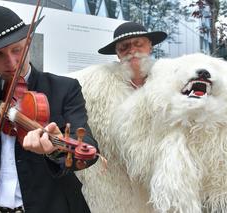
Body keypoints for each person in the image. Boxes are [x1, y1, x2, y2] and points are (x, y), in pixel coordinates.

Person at [0, 5, 98, 213]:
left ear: (28, 42)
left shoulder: (64, 89)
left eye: (17, 49)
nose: (11, 62)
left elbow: (87, 146)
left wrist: (56, 149)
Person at [69, 22, 168, 212]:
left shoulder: (169, 80)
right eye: (124, 47)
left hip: (159, 176)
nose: (132, 50)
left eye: (138, 44)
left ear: (150, 46)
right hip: (115, 179)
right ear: (117, 53)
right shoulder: (97, 83)